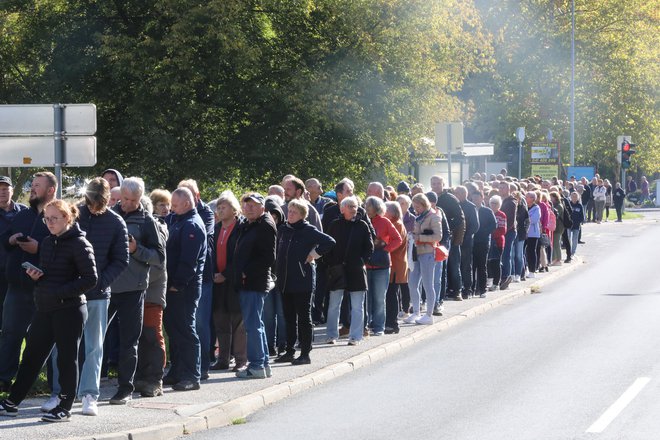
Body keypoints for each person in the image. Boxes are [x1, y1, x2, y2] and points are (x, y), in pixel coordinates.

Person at [0, 199, 97, 422]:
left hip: (70, 309)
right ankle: (12, 402)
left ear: (67, 218)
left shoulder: (80, 244)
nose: (50, 223)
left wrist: (60, 291)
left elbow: (91, 279)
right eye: (47, 218)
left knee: (66, 359)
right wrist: (37, 278)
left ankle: (65, 406)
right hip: (46, 307)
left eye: (54, 218)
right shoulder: (47, 241)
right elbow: (50, 274)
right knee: (32, 357)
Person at [46, 178, 129, 416]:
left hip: (97, 293)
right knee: (62, 346)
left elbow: (121, 259)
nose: (94, 206)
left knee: (94, 346)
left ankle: (89, 394)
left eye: (99, 202)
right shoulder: (73, 215)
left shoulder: (116, 222)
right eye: (92, 201)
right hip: (69, 293)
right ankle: (59, 393)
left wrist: (99, 282)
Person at [109, 177, 165, 403]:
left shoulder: (147, 221)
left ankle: (125, 388)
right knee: (95, 339)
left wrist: (136, 249)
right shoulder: (110, 215)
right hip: (107, 286)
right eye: (124, 199)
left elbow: (159, 257)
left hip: (134, 288)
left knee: (129, 340)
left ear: (140, 198)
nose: (127, 204)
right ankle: (87, 387)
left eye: (133, 200)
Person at [0, 172, 56, 392]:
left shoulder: (59, 214)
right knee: (10, 334)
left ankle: (30, 382)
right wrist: (11, 240)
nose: (32, 189)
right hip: (16, 286)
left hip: (44, 288)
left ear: (51, 190)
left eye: (37, 186)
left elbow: (65, 247)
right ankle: (5, 378)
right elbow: (5, 241)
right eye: (32, 185)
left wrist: (39, 247)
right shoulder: (22, 215)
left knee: (39, 339)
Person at [274, 199, 335, 364]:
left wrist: (314, 254)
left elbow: (329, 242)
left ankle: (305, 353)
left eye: (294, 212)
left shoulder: (308, 230)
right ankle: (289, 351)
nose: (290, 214)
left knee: (304, 318)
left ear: (302, 214)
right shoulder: (284, 230)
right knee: (288, 318)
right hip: (285, 281)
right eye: (289, 211)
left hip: (302, 281)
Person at [163, 188, 207, 390]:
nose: (171, 208)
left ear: (187, 204)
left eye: (175, 204)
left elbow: (188, 262)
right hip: (174, 286)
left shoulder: (192, 225)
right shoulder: (178, 220)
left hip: (184, 288)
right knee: (174, 329)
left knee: (185, 330)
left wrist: (177, 284)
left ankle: (191, 375)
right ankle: (177, 370)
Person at [233, 193, 277, 379]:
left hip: (254, 282)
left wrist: (246, 271)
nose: (249, 208)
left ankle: (257, 365)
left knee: (252, 325)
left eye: (254, 205)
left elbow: (268, 257)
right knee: (255, 323)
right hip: (250, 281)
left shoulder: (264, 225)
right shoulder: (251, 224)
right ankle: (263, 364)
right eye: (246, 204)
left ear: (263, 207)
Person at [176, 179, 215, 381]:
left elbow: (193, 250)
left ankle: (200, 367)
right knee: (181, 325)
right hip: (183, 278)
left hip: (200, 276)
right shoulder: (178, 218)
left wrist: (178, 282)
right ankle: (181, 368)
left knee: (197, 324)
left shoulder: (203, 216)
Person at [325, 196, 373, 345]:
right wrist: (331, 263)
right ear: (342, 208)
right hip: (338, 269)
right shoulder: (334, 225)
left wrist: (361, 262)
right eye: (350, 206)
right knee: (334, 305)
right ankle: (332, 335)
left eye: (355, 206)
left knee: (357, 306)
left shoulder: (362, 225)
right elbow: (328, 246)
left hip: (356, 270)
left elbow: (369, 247)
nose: (354, 209)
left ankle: (355, 336)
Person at [134, 194, 169, 398]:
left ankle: (155, 380)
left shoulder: (156, 229)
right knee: (138, 336)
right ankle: (141, 376)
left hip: (151, 291)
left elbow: (158, 263)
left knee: (153, 336)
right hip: (137, 290)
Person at [211, 191, 247, 372]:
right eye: (218, 207)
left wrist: (225, 273)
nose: (220, 210)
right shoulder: (216, 228)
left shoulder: (241, 228)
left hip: (234, 281)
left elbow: (241, 256)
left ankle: (241, 360)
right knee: (221, 320)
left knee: (238, 323)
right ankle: (223, 359)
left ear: (234, 210)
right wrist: (215, 273)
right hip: (218, 282)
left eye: (223, 207)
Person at [363, 196, 401, 335]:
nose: (366, 207)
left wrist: (385, 250)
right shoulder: (363, 221)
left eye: (369, 205)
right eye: (366, 205)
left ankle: (379, 327)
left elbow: (398, 239)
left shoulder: (384, 221)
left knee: (379, 298)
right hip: (366, 264)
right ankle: (365, 326)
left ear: (376, 207)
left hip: (381, 265)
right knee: (367, 298)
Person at [404, 193, 442, 325]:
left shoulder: (433, 216)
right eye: (414, 206)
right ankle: (416, 312)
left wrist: (420, 238)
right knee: (412, 283)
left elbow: (438, 236)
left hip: (428, 253)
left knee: (427, 284)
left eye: (418, 206)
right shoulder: (419, 217)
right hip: (416, 253)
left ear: (424, 204)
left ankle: (429, 314)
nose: (416, 209)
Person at [431, 175, 465, 301]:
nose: (436, 186)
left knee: (453, 264)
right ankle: (439, 294)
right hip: (432, 238)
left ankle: (457, 290)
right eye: (433, 183)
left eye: (438, 183)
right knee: (437, 267)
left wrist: (447, 227)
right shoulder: (428, 197)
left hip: (448, 237)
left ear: (443, 184)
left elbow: (459, 218)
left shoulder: (450, 199)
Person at [0, 176, 27, 331]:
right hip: (1, 273)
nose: (2, 193)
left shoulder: (24, 212)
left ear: (12, 190)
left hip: (22, 272)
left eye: (5, 189)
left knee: (21, 320)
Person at [384, 201, 408, 334]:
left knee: (391, 294)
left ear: (391, 212)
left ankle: (392, 323)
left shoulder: (397, 224)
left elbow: (394, 244)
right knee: (392, 294)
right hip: (395, 264)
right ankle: (391, 322)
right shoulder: (395, 223)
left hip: (396, 264)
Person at [470, 188, 496, 298]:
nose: (475, 200)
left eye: (478, 197)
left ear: (482, 198)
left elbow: (493, 225)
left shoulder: (487, 211)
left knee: (482, 266)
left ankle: (482, 290)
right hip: (471, 241)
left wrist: (483, 232)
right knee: (472, 266)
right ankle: (471, 289)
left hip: (483, 242)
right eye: (474, 198)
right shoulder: (470, 209)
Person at [455, 185, 480, 296]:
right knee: (456, 264)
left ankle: (468, 288)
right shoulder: (455, 205)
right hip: (455, 240)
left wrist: (465, 236)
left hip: (466, 241)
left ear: (463, 194)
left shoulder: (471, 207)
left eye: (457, 193)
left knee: (466, 265)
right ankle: (456, 287)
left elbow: (475, 225)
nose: (455, 195)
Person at [498, 182, 517, 289]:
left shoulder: (511, 202)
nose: (501, 189)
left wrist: (503, 231)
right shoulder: (499, 200)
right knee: (500, 255)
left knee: (506, 255)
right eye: (499, 188)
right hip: (499, 231)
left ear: (508, 189)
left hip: (508, 232)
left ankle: (506, 277)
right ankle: (500, 276)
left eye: (503, 188)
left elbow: (511, 220)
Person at [487, 196, 506, 291]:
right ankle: (489, 281)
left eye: (496, 203)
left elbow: (503, 229)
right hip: (487, 241)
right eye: (492, 203)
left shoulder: (501, 215)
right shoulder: (487, 212)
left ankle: (496, 283)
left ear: (499, 205)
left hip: (498, 242)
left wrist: (491, 234)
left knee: (496, 262)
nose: (493, 205)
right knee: (488, 262)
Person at [525, 191, 541, 277]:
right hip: (524, 233)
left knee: (531, 251)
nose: (525, 198)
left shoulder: (536, 208)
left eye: (527, 196)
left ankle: (532, 270)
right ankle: (525, 269)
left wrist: (526, 219)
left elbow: (534, 219)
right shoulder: (524, 207)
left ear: (532, 198)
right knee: (524, 252)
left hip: (533, 233)